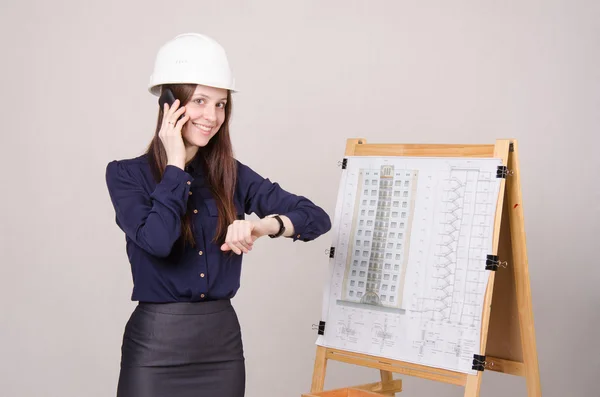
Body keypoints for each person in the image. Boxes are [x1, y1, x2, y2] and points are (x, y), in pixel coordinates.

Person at [105, 33, 331, 397]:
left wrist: (262, 226)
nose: (212, 117)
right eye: (199, 101)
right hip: (154, 346)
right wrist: (176, 163)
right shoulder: (126, 174)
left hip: (221, 348)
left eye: (221, 104)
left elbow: (315, 217)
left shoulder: (232, 174)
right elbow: (158, 242)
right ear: (169, 103)